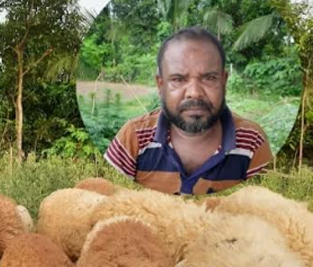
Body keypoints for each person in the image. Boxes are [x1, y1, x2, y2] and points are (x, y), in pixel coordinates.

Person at [104, 27, 272, 195]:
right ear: (160, 85)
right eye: (178, 79)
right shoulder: (134, 137)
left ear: (224, 81)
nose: (194, 92)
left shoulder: (251, 142)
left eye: (209, 78)